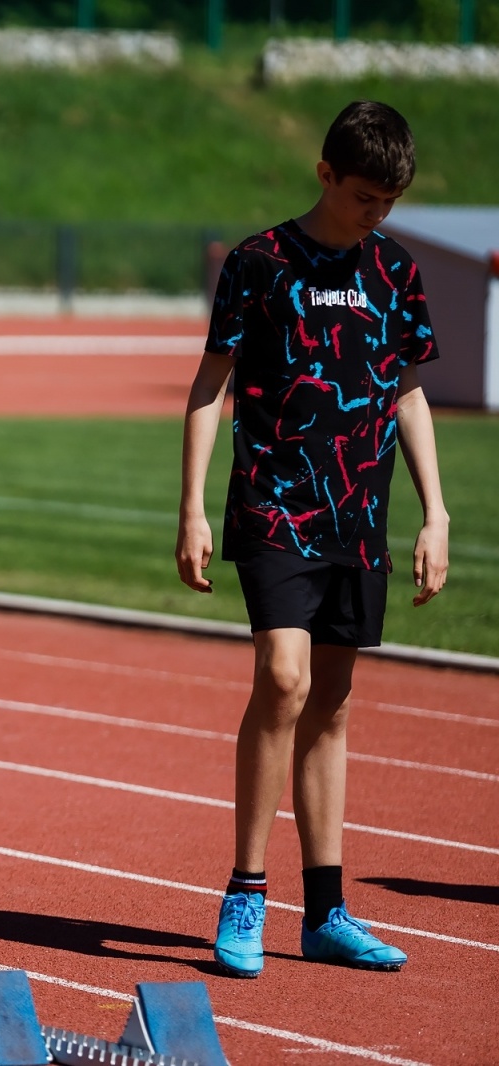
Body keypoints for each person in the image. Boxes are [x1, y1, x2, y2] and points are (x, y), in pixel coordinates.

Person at [177, 101, 447, 978]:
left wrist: (435, 513)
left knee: (331, 701)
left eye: (390, 200)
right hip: (273, 505)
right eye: (365, 196)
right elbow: (210, 384)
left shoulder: (397, 272)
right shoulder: (258, 263)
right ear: (326, 174)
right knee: (283, 680)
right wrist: (190, 506)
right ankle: (246, 893)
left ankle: (326, 911)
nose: (377, 213)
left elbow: (407, 392)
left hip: (358, 515)